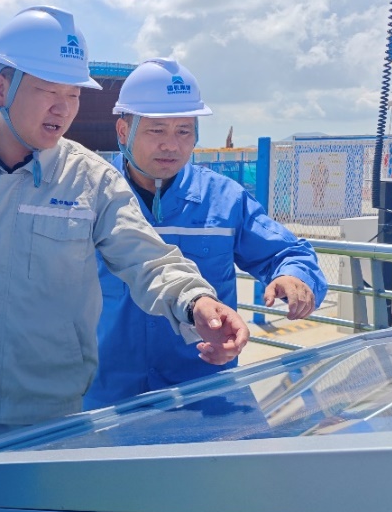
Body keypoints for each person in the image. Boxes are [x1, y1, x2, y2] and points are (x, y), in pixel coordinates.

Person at [0, 6, 250, 458]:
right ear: (1, 89)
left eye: (74, 94)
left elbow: (148, 259)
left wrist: (196, 302)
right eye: (48, 90)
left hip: (48, 420)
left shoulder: (91, 180)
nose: (62, 108)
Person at [84, 58, 327, 410]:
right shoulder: (91, 198)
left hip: (207, 393)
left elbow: (286, 252)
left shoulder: (224, 200)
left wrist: (294, 276)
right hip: (110, 396)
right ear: (124, 132)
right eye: (157, 131)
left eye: (184, 131)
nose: (171, 145)